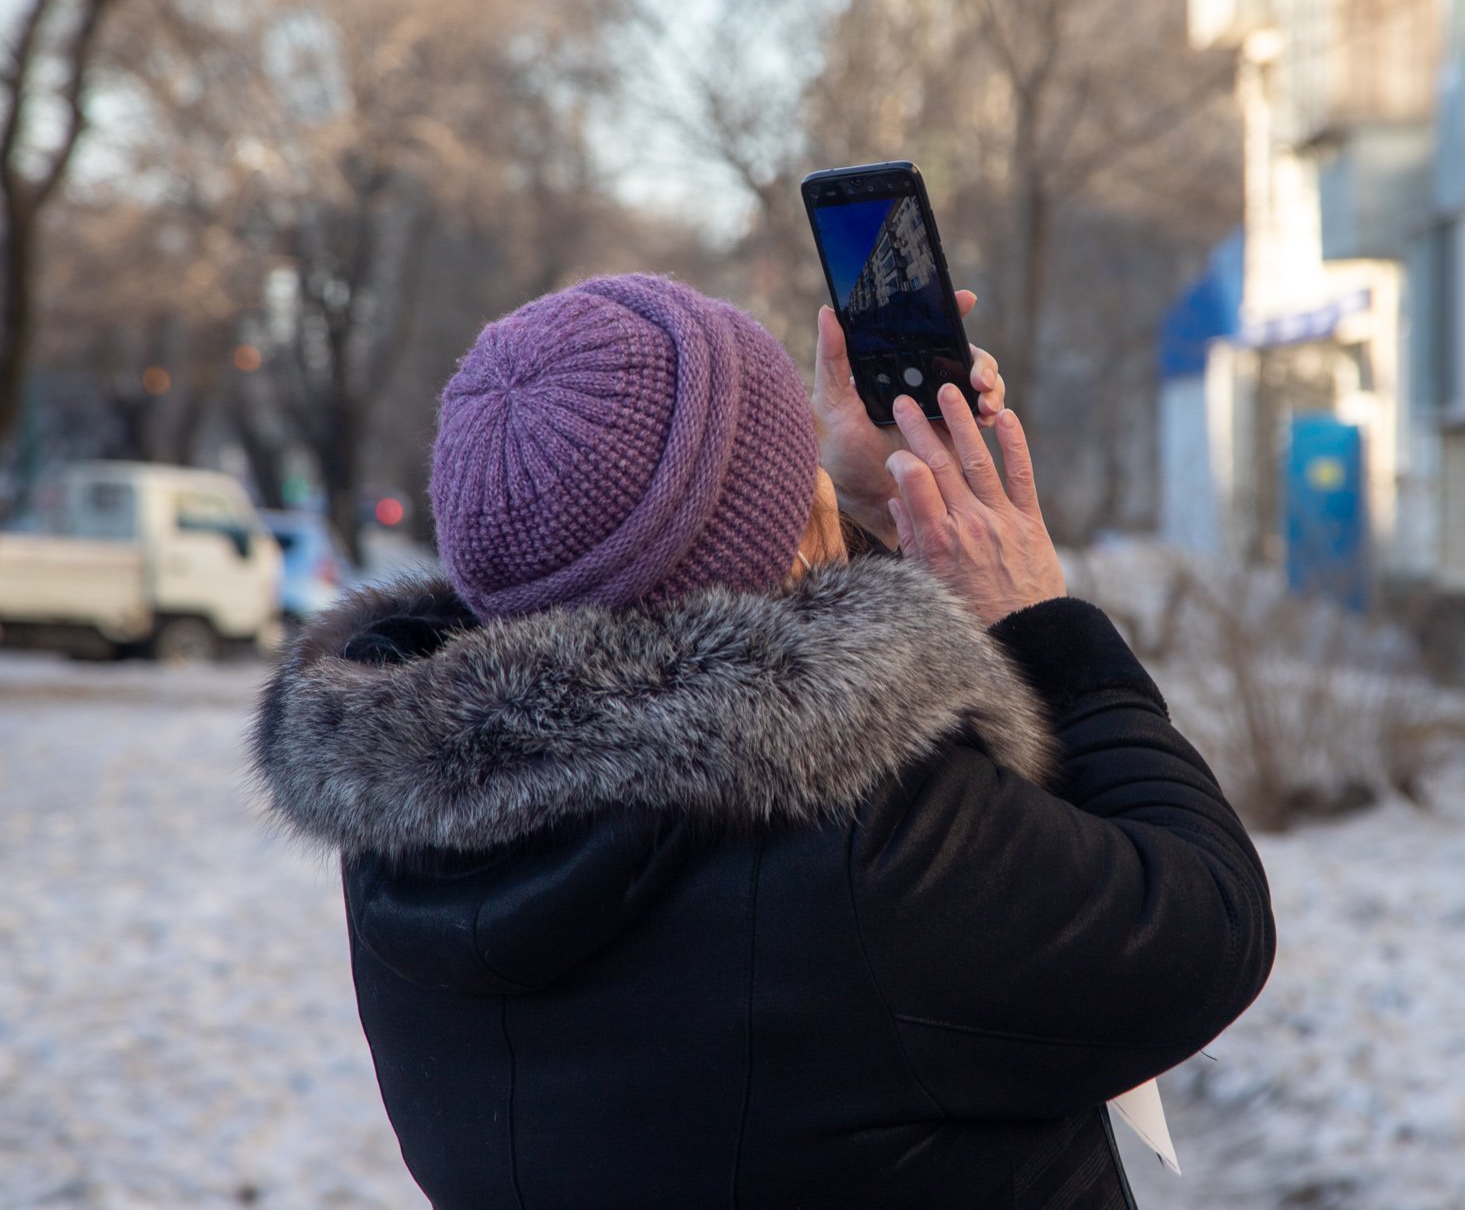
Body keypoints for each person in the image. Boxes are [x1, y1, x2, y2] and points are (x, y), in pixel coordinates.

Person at [250, 274, 1275, 1209]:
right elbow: (1200, 923)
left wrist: (862, 525)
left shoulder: (409, 827)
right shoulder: (856, 849)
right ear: (790, 537)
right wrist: (1033, 619)